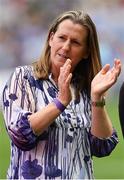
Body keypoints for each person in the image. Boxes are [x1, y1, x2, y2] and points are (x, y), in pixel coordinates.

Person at [2, 10, 121, 179]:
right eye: (62, 38)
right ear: (51, 38)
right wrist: (60, 103)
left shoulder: (85, 88)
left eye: (75, 42)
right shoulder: (24, 78)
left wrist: (97, 99)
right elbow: (20, 135)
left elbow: (102, 146)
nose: (66, 47)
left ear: (86, 51)